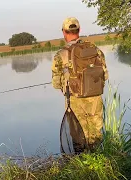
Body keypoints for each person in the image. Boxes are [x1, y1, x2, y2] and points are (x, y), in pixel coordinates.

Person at [51, 17, 109, 152]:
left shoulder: (60, 55)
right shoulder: (95, 49)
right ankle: (98, 158)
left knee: (78, 134)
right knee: (96, 131)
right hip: (95, 97)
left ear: (64, 32)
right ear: (79, 30)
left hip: (74, 99)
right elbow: (105, 75)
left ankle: (82, 165)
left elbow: (56, 84)